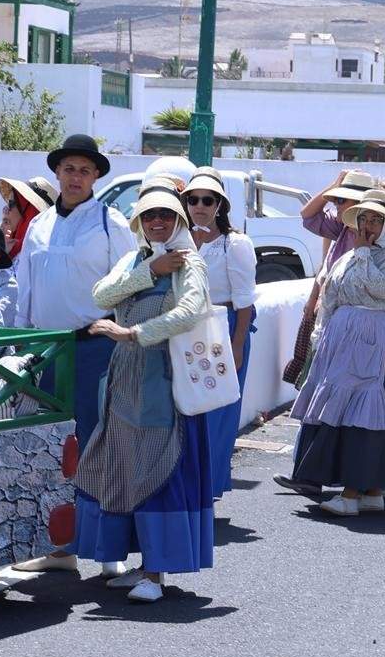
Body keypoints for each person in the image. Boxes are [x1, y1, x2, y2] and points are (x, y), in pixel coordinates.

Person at [71, 186, 217, 602]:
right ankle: (135, 561)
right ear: (138, 222)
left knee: (158, 466)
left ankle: (156, 573)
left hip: (164, 379)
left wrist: (133, 333)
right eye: (149, 215)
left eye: (166, 216)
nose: (157, 222)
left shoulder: (191, 264)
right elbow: (102, 294)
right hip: (126, 378)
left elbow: (191, 311)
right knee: (120, 463)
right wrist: (151, 271)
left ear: (179, 222)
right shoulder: (138, 259)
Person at [13, 134, 140, 574]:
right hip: (46, 349)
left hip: (94, 348)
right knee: (50, 445)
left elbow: (130, 285)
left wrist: (125, 338)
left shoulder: (111, 225)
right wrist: (22, 337)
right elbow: (25, 285)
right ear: (57, 173)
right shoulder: (40, 224)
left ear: (96, 176)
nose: (76, 177)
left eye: (85, 170)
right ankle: (60, 548)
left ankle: (107, 552)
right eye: (69, 169)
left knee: (97, 444)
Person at [289, 188, 385, 516]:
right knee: (345, 409)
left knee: (367, 412)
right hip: (343, 341)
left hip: (377, 340)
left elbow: (379, 288)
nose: (370, 226)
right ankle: (371, 490)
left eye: (377, 220)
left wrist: (361, 253)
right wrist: (322, 337)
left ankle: (352, 493)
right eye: (365, 219)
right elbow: (331, 296)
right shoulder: (346, 257)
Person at [183, 169, 256, 499]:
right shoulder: (182, 240)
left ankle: (207, 487)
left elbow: (244, 301)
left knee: (217, 415)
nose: (199, 206)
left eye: (207, 200)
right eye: (193, 199)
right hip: (189, 331)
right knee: (189, 413)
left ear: (219, 205)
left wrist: (237, 344)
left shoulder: (234, 244)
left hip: (223, 330)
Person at [300, 168, 379, 267]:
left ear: (359, 203)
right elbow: (307, 215)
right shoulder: (344, 227)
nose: (335, 203)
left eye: (341, 199)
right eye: (335, 199)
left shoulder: (378, 235)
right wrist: (334, 185)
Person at [0, 176, 56, 265]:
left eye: (12, 203)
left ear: (30, 211)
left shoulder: (40, 254)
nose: (6, 209)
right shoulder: (8, 245)